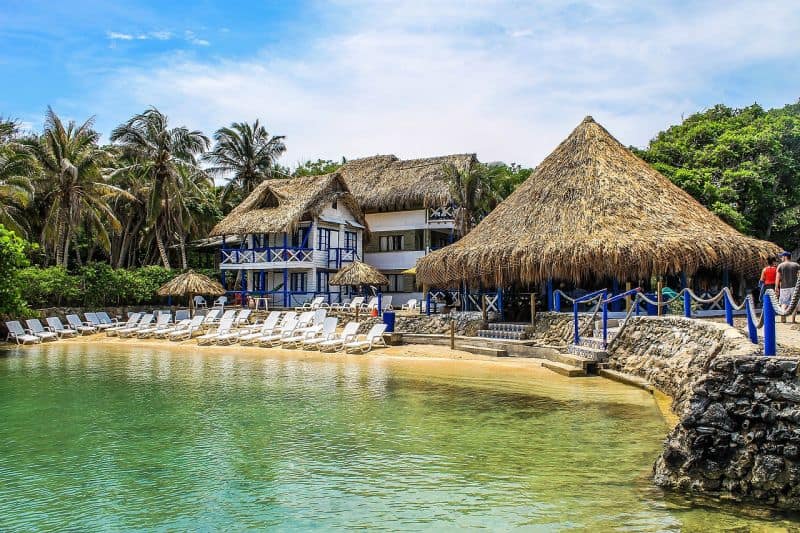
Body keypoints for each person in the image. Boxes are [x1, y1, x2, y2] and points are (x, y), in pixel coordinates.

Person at [775, 251, 800, 323]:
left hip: (784, 287)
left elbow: (777, 277)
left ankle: (783, 315)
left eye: (782, 257)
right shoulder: (796, 265)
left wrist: (776, 287)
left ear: (785, 257)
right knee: (794, 303)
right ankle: (793, 319)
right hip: (795, 288)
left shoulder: (780, 265)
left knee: (784, 303)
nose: (781, 258)